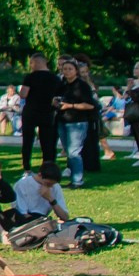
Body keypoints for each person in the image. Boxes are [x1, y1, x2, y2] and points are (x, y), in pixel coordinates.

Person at [51, 58, 96, 189]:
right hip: (63, 120)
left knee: (74, 152)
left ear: (76, 71)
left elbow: (89, 106)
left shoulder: (82, 86)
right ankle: (73, 177)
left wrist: (70, 105)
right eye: (64, 69)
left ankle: (77, 180)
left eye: (70, 69)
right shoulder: (62, 85)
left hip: (77, 122)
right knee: (68, 151)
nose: (67, 72)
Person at [16, 53, 61, 176]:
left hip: (31, 111)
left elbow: (23, 94)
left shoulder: (30, 77)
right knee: (48, 142)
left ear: (36, 62)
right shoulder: (55, 78)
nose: (30, 65)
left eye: (31, 62)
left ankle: (27, 168)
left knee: (28, 141)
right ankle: (48, 166)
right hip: (47, 112)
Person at [11, 164, 73, 228]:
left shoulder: (55, 187)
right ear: (39, 175)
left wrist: (51, 199)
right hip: (26, 222)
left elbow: (65, 217)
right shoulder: (22, 185)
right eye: (48, 184)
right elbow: (23, 215)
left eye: (52, 184)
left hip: (42, 220)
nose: (50, 186)